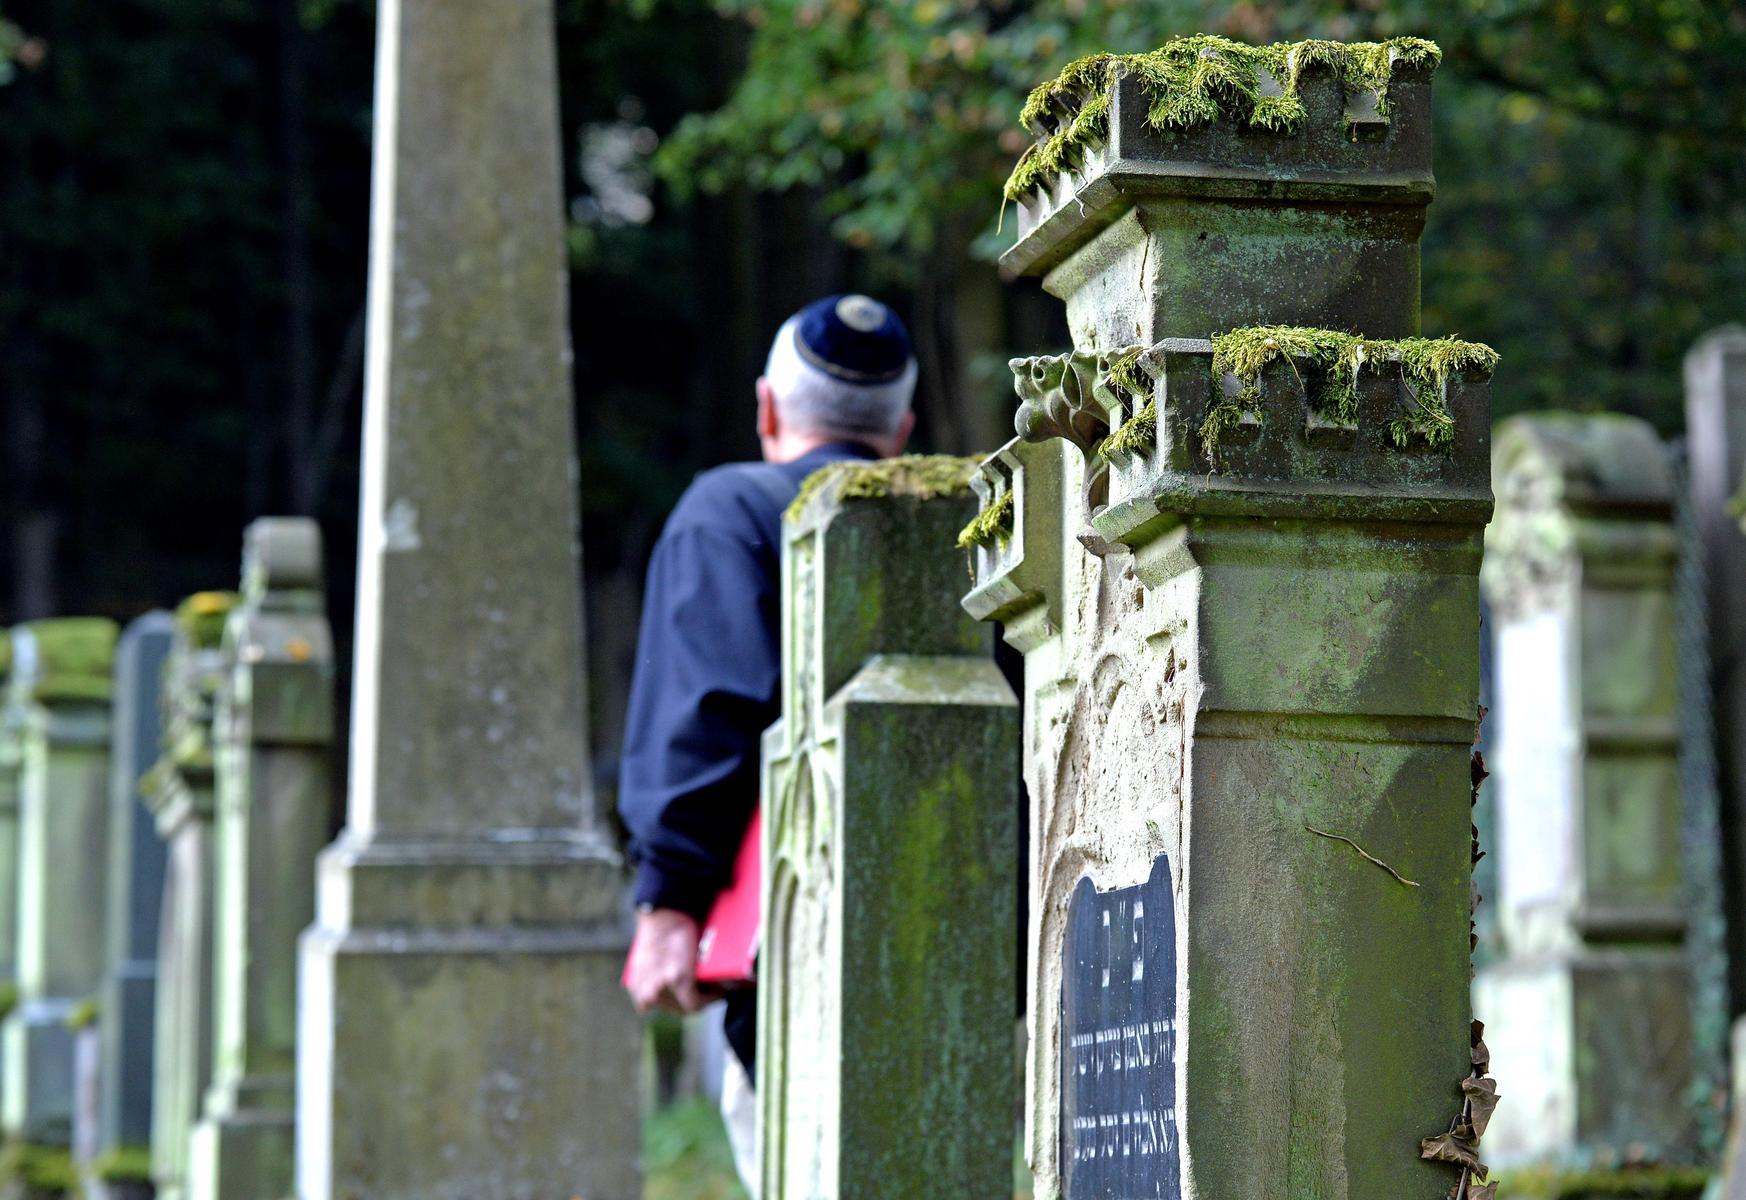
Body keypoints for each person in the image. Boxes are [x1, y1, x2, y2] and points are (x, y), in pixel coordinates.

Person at [618, 294, 917, 1188]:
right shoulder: (965, 525)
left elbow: (710, 707)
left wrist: (668, 899)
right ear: (901, 431)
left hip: (787, 939)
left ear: (767, 409)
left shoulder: (730, 510)